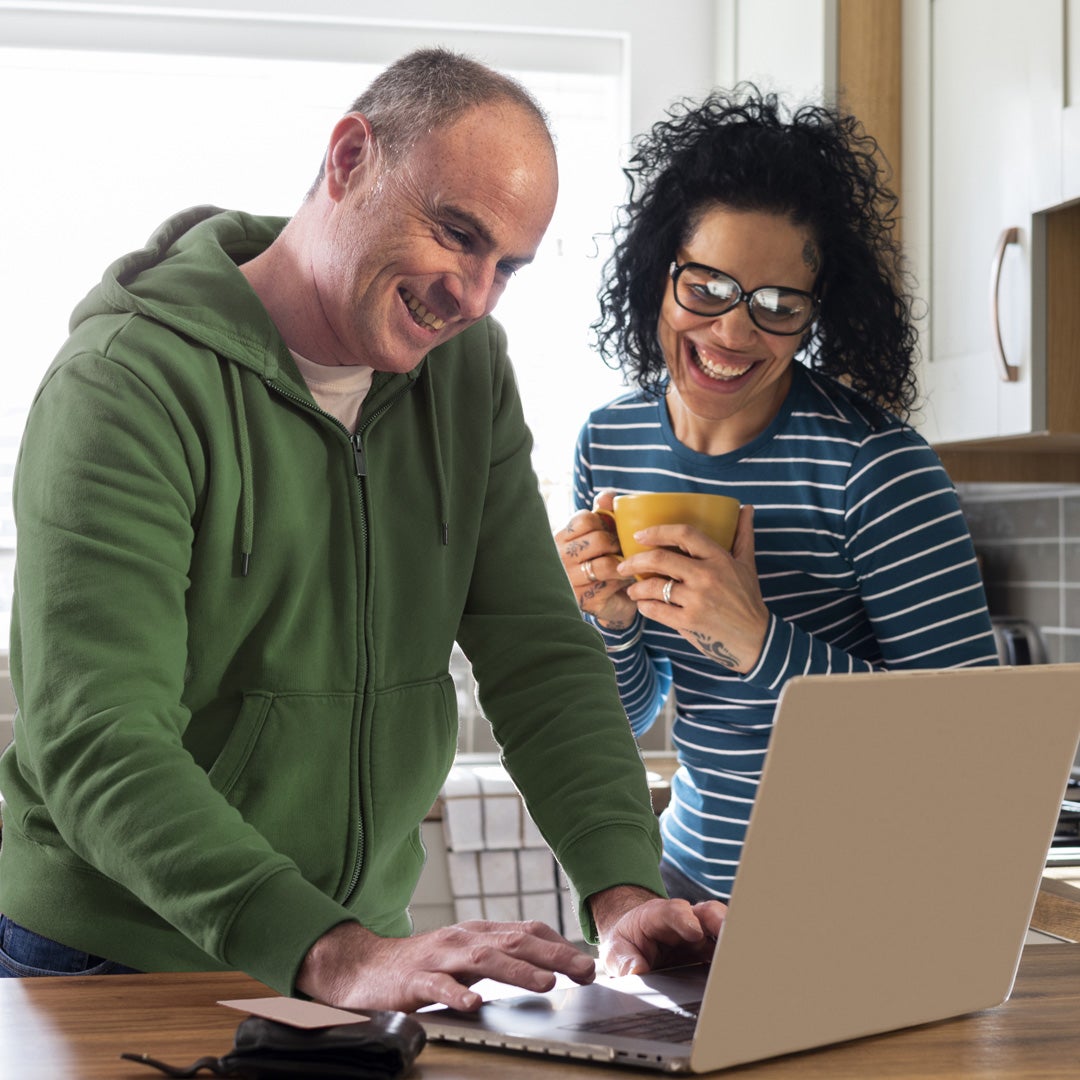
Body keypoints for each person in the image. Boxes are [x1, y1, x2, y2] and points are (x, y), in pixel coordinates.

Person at [0, 48, 724, 1009]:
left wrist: (622, 891)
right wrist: (331, 950)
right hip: (119, 956)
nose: (472, 295)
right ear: (348, 160)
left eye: (506, 267)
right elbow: (96, 737)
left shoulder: (469, 377)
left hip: (349, 958)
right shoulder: (125, 384)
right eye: (457, 235)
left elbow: (539, 655)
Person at [556, 86, 999, 905]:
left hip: (848, 896)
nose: (731, 332)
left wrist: (759, 640)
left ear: (813, 316)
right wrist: (610, 624)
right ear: (661, 275)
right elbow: (632, 709)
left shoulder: (876, 467)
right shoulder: (609, 442)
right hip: (682, 878)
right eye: (707, 287)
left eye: (776, 305)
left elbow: (970, 748)